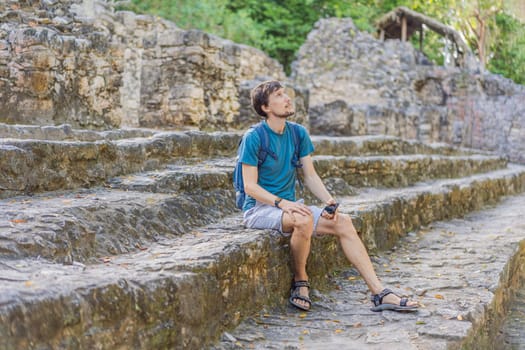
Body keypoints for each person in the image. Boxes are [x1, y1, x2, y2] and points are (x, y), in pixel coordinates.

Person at [238, 80, 418, 312]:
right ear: (265, 107)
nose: (287, 98)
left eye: (285, 93)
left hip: (289, 207)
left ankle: (379, 293)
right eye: (279, 95)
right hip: (260, 209)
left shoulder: (297, 133)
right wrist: (283, 204)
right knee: (302, 219)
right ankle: (301, 281)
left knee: (343, 222)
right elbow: (249, 186)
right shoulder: (253, 137)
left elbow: (310, 176)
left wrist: (329, 201)